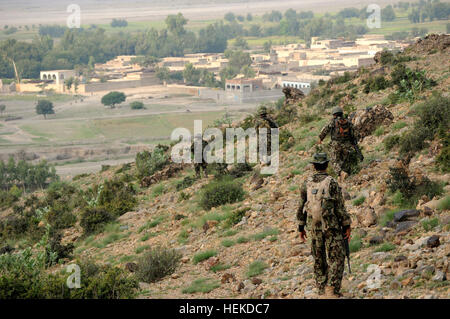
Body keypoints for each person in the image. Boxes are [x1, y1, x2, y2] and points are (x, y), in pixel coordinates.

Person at [296, 152, 352, 298]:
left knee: (318, 258)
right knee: (337, 257)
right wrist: (346, 225)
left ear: (313, 166)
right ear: (326, 165)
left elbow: (301, 205)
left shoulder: (306, 183)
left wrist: (301, 227)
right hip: (331, 227)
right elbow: (339, 206)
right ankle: (332, 289)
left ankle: (321, 289)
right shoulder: (331, 182)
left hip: (314, 227)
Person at [318, 106, 362, 178]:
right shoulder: (347, 122)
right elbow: (355, 133)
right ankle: (347, 174)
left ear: (334, 114)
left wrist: (321, 138)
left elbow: (325, 130)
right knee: (344, 161)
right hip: (347, 145)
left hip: (336, 144)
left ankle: (341, 173)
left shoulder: (333, 121)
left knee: (333, 160)